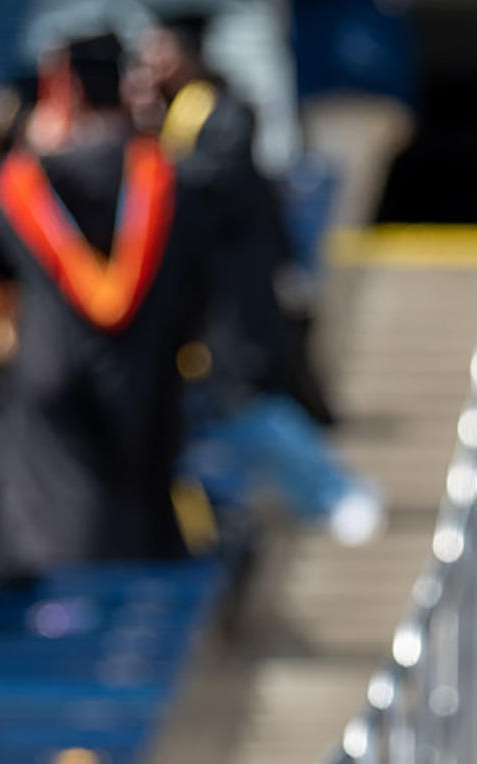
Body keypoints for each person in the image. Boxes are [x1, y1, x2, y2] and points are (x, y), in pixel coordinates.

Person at [135, 1, 383, 548]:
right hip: (194, 301)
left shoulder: (224, 114)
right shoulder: (163, 119)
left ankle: (334, 490)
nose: (151, 61)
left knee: (245, 400)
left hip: (232, 299)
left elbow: (199, 191)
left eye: (162, 49)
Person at [0, 26, 204, 579]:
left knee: (58, 535)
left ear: (68, 92)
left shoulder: (27, 182)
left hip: (53, 386)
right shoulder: (169, 180)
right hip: (150, 383)